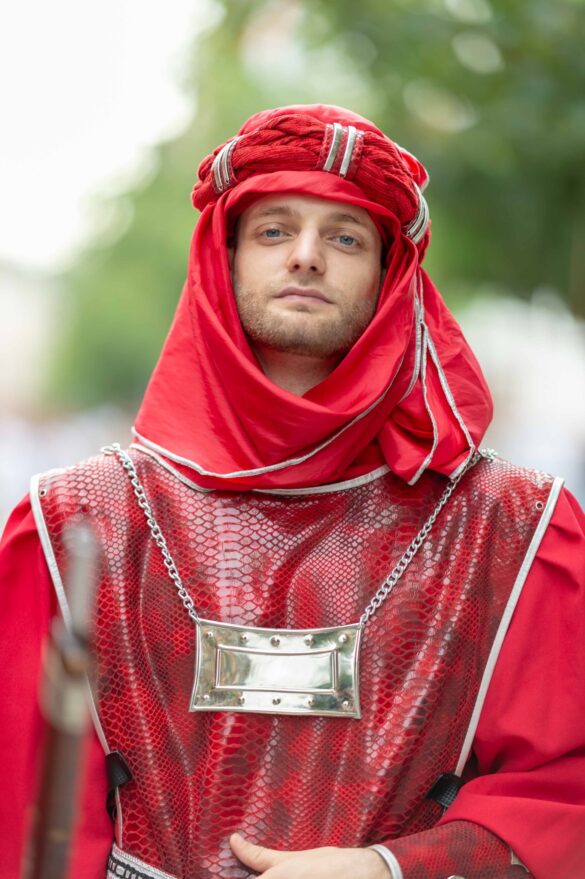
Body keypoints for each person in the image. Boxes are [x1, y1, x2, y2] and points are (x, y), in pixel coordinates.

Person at [1, 104, 584, 879]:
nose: (306, 256)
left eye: (345, 238)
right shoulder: (75, 520)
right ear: (225, 257)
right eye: (274, 230)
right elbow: (27, 819)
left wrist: (386, 868)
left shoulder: (512, 523)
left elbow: (560, 793)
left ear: (388, 273)